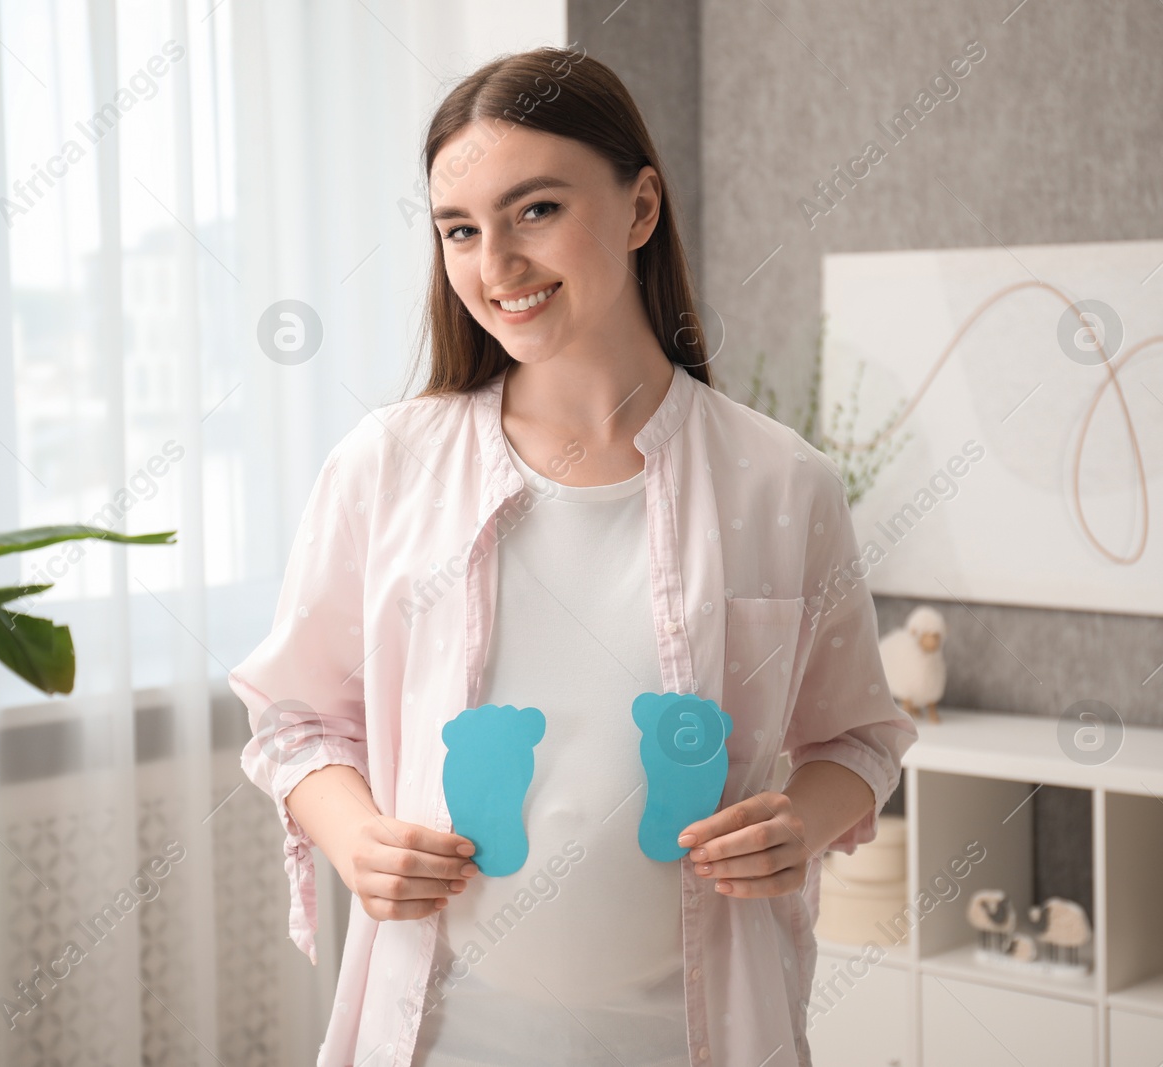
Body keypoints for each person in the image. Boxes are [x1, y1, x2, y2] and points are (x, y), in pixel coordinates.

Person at [230, 44, 918, 1067]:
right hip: (443, 1032)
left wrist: (800, 823)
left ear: (640, 208)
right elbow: (294, 720)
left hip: (699, 1033)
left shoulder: (780, 482)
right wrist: (352, 835)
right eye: (459, 229)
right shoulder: (385, 466)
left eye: (535, 210)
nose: (494, 265)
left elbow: (858, 739)